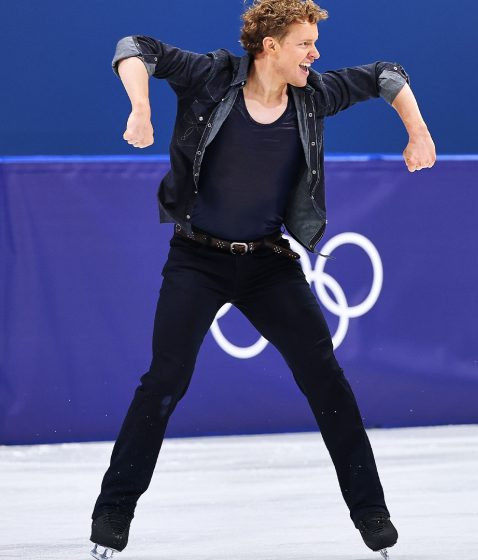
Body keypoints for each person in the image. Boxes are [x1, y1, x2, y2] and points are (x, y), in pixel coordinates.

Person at [89, 1, 436, 558]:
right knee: (165, 380)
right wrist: (140, 108)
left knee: (326, 379)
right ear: (269, 46)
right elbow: (135, 47)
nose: (315, 54)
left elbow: (387, 75)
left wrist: (417, 132)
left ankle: (371, 512)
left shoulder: (313, 94)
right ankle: (113, 511)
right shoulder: (210, 77)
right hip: (196, 259)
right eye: (305, 43)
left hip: (269, 264)